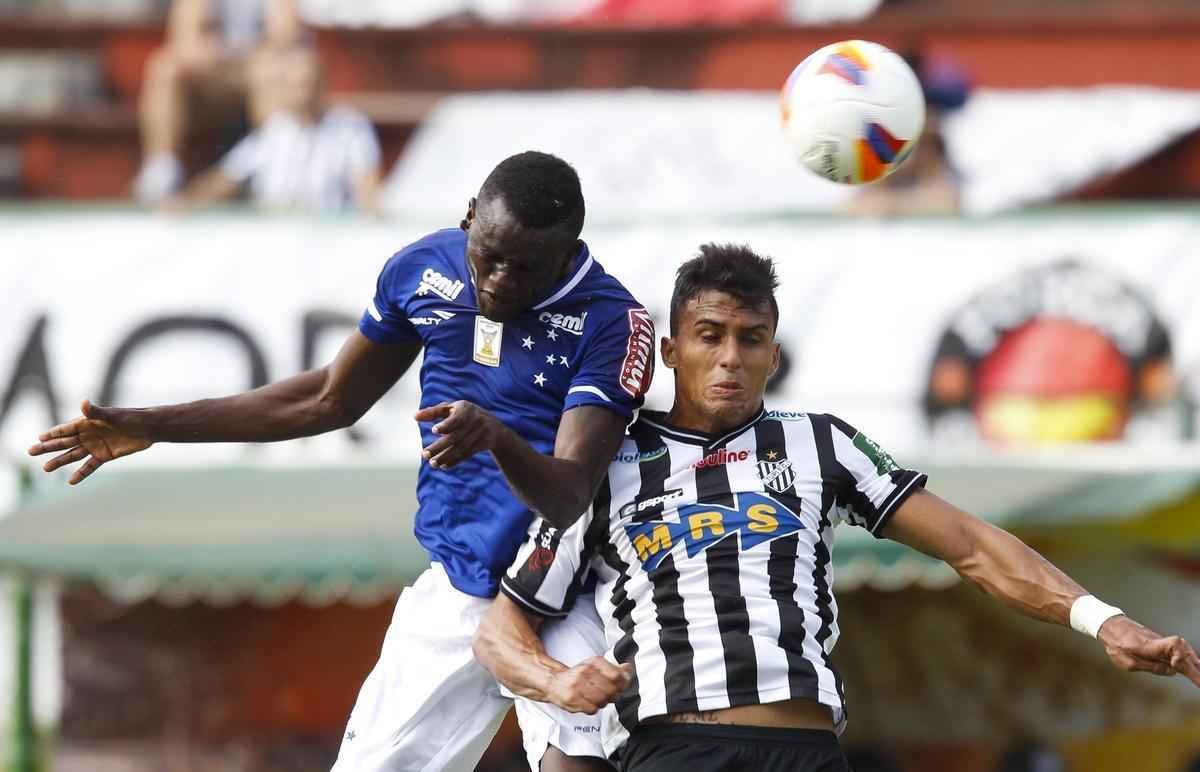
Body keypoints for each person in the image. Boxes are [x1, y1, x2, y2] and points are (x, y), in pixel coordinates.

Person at [29, 151, 656, 772]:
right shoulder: (423, 268)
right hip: (459, 589)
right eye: (488, 257)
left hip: (563, 595)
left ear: (570, 251)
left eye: (526, 269)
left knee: (582, 765)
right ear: (468, 218)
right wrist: (156, 425)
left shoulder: (612, 322)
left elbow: (569, 492)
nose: (498, 282)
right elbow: (327, 399)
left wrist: (496, 437)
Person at [472, 243, 1200, 772]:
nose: (730, 357)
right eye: (709, 336)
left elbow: (971, 546)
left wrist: (1101, 620)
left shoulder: (819, 444)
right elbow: (501, 628)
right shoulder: (604, 467)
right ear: (670, 350)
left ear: (773, 356)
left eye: (750, 339)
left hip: (807, 751)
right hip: (674, 749)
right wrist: (557, 681)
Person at [166, 44, 383, 213]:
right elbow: (226, 179)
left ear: (322, 84)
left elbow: (367, 187)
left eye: (308, 83)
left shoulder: (349, 127)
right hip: (274, 235)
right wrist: (187, 202)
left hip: (328, 236)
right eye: (296, 85)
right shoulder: (275, 129)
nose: (303, 93)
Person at [134, 0, 305, 203]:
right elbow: (185, 37)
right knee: (165, 69)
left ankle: (276, 173)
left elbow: (285, 36)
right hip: (217, 75)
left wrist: (247, 57)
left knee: (270, 72)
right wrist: (215, 54)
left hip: (260, 72)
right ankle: (161, 169)